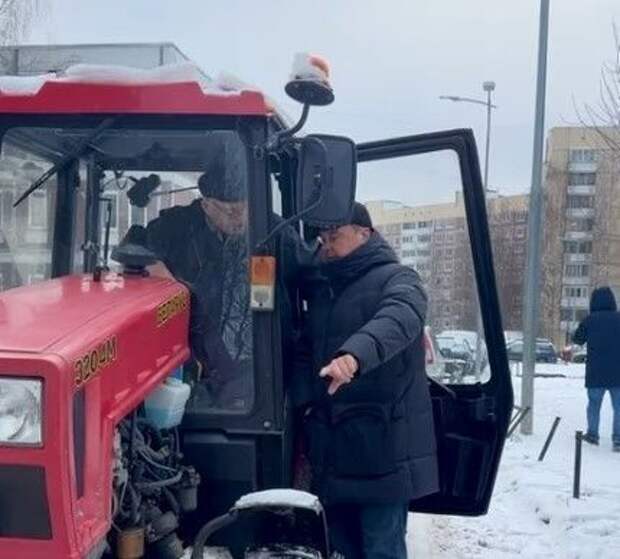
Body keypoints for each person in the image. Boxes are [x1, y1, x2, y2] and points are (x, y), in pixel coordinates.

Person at [293, 203, 439, 559]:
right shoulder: (321, 289)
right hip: (335, 454)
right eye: (323, 238)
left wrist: (353, 356)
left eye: (335, 236)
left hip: (382, 455)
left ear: (365, 233)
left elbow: (399, 317)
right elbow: (304, 352)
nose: (327, 245)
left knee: (382, 549)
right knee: (340, 550)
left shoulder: (399, 278)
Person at [572, 286, 620, 452]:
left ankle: (593, 435)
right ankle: (618, 439)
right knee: (619, 407)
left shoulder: (590, 320)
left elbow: (577, 339)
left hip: (596, 372)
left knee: (594, 404)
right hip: (618, 373)